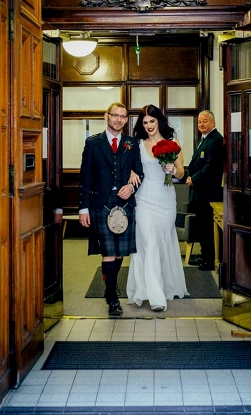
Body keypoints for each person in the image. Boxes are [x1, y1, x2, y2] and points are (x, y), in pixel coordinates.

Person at [79, 102, 144, 317]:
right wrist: (83, 209)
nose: (118, 119)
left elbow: (140, 174)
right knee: (109, 252)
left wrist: (131, 186)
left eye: (123, 117)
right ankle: (113, 298)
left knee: (119, 253)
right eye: (115, 115)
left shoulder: (132, 144)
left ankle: (109, 287)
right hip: (101, 203)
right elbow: (85, 178)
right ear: (106, 116)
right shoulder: (93, 143)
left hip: (124, 203)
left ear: (126, 120)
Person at [126, 105, 189, 312]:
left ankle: (163, 285)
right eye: (145, 123)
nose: (149, 126)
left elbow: (181, 173)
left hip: (166, 201)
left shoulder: (173, 143)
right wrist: (130, 175)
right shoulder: (137, 144)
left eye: (152, 121)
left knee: (162, 243)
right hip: (144, 200)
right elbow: (126, 168)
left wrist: (173, 169)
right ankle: (155, 297)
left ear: (159, 121)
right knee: (149, 242)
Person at [186, 110, 224, 271]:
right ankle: (204, 255)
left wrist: (194, 179)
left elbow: (211, 167)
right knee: (202, 227)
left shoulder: (216, 140)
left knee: (208, 227)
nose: (201, 124)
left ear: (213, 123)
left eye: (205, 121)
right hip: (199, 192)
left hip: (208, 192)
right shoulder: (204, 139)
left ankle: (210, 259)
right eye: (200, 121)